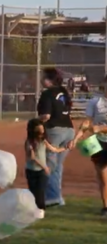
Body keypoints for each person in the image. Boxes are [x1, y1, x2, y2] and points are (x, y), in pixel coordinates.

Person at [36, 68, 75, 208]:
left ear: (49, 80)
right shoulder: (64, 92)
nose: (41, 79)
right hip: (69, 130)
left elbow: (46, 116)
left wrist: (35, 122)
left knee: (50, 165)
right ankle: (58, 197)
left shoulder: (47, 93)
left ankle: (52, 197)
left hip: (54, 131)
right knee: (57, 166)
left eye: (43, 77)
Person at [71, 76, 107, 216]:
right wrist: (76, 138)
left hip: (100, 134)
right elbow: (87, 122)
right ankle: (105, 208)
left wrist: (101, 128)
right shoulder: (95, 102)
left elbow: (98, 127)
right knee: (103, 178)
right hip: (97, 142)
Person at [25, 118, 64, 214]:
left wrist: (66, 147)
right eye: (39, 131)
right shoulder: (29, 142)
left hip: (41, 172)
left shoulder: (43, 141)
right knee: (34, 192)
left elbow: (54, 149)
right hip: (31, 171)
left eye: (43, 130)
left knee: (41, 191)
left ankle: (41, 211)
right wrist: (45, 167)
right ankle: (34, 210)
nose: (42, 133)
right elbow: (32, 157)